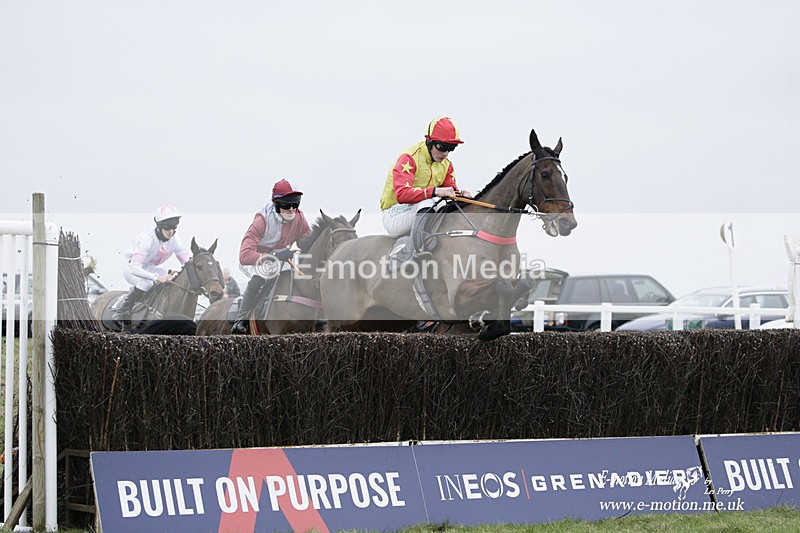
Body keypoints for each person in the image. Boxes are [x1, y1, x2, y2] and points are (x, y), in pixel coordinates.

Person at [231, 179, 312, 334]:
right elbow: (244, 255)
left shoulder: (300, 218)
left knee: (294, 277)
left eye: (296, 204)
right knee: (263, 275)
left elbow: (307, 243)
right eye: (286, 205)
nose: (292, 209)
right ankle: (240, 320)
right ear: (275, 203)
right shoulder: (262, 220)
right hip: (256, 258)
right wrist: (273, 255)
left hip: (282, 258)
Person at [379, 116, 472, 237]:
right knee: (429, 202)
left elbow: (450, 195)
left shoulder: (447, 165)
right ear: (430, 142)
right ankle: (414, 250)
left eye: (451, 148)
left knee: (443, 204)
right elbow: (402, 194)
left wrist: (464, 198)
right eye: (441, 147)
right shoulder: (409, 158)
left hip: (420, 209)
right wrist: (435, 191)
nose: (445, 154)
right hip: (394, 213)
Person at [113, 204, 190, 330]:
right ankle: (122, 311)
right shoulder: (147, 240)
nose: (171, 232)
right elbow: (134, 268)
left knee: (173, 278)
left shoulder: (176, 240)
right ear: (159, 226)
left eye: (174, 228)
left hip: (149, 268)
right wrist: (156, 277)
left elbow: (187, 264)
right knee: (146, 284)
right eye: (167, 228)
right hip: (132, 268)